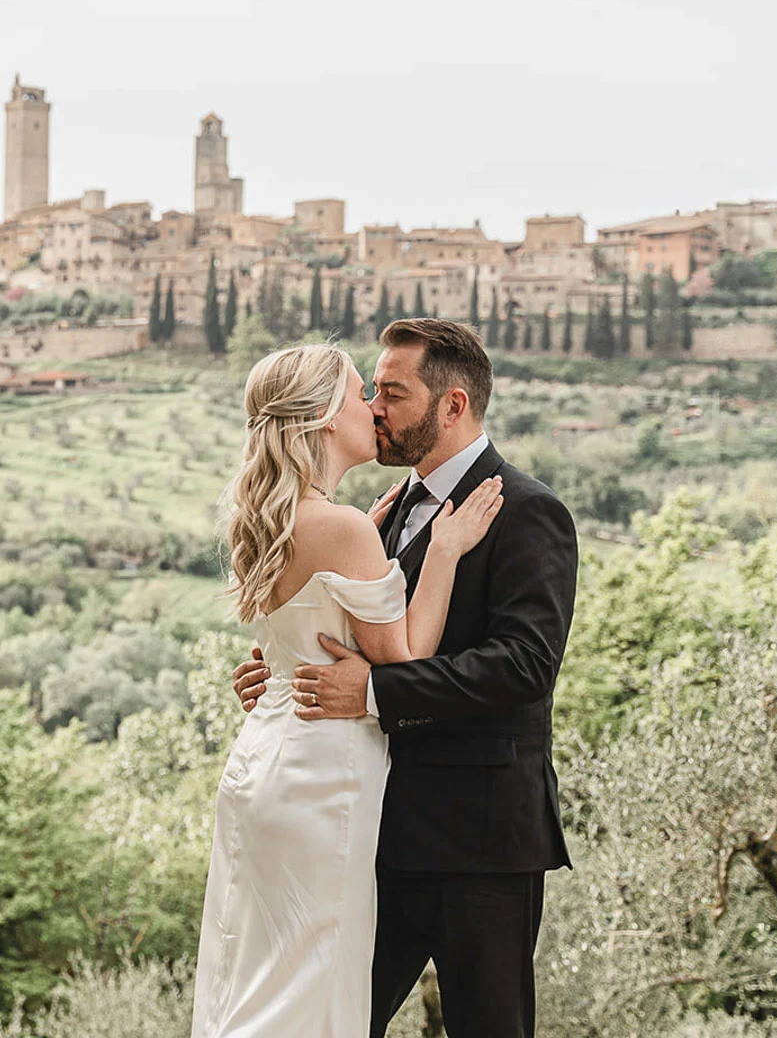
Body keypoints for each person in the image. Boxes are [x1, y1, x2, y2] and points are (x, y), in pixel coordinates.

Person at [233, 318, 579, 1037]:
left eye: (392, 392)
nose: (375, 409)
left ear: (452, 406)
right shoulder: (376, 518)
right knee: (334, 1020)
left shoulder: (528, 511)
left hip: (480, 840)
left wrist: (371, 693)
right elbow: (345, 627)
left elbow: (524, 665)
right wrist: (282, 671)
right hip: (371, 831)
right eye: (373, 392)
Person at [191, 342, 504, 1038]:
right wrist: (445, 552)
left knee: (256, 973)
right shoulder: (340, 527)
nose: (372, 408)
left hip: (264, 761)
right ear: (327, 418)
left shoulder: (275, 516)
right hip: (321, 777)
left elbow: (292, 640)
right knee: (306, 987)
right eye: (362, 393)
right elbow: (405, 656)